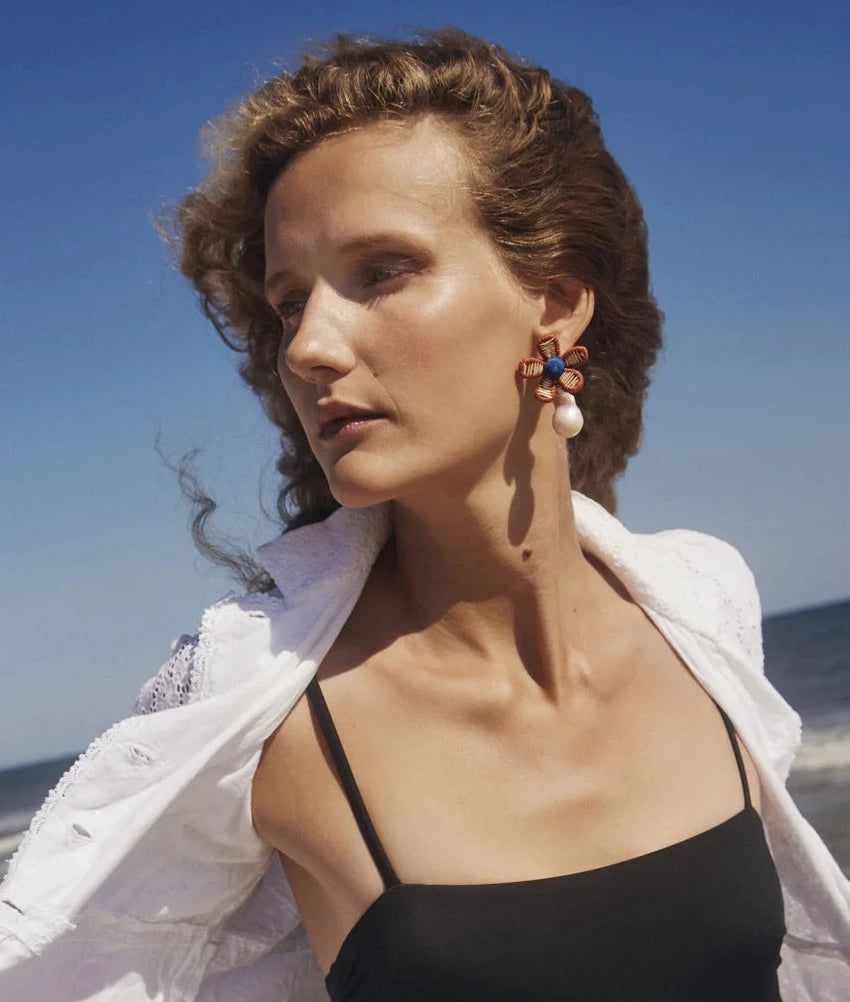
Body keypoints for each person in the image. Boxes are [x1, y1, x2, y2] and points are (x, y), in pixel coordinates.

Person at [1, 27, 848, 1002]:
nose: (307, 346)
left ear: (554, 303)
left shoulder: (702, 608)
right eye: (289, 303)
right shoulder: (263, 721)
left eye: (381, 271)